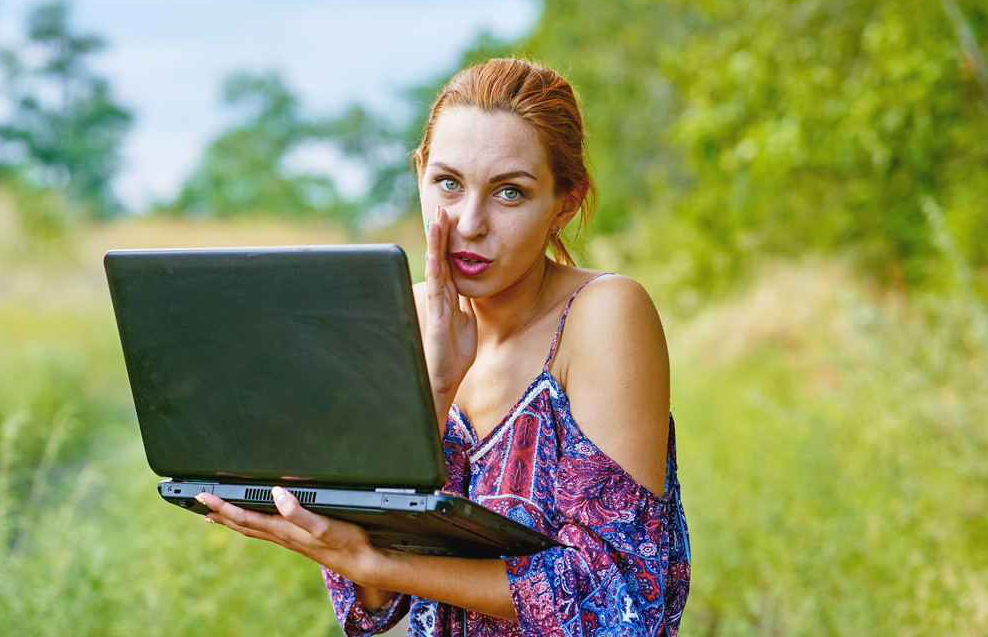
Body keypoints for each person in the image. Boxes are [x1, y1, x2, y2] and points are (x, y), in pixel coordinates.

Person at [195, 57, 691, 636]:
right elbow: (372, 606)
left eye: (510, 192)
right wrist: (432, 388)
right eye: (448, 184)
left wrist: (385, 564)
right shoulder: (394, 314)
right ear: (420, 174)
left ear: (566, 201)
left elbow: (624, 592)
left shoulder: (604, 314)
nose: (469, 223)